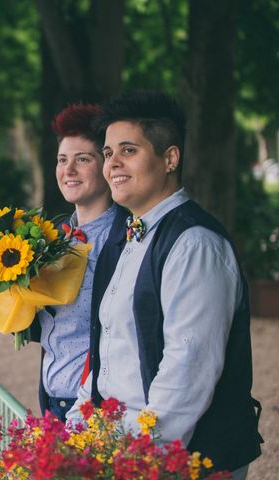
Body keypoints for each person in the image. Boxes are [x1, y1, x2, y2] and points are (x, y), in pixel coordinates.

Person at [66, 91, 262, 478]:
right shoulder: (126, 238)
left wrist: (141, 460)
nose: (113, 164)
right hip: (124, 447)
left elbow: (188, 371)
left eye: (128, 150)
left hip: (181, 458)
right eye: (107, 153)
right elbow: (107, 349)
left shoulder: (195, 244)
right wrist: (74, 430)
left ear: (170, 158)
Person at [31, 103, 128, 421]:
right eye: (62, 160)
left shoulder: (126, 238)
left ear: (106, 164)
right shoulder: (52, 236)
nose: (68, 170)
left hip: (98, 403)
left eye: (82, 159)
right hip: (51, 395)